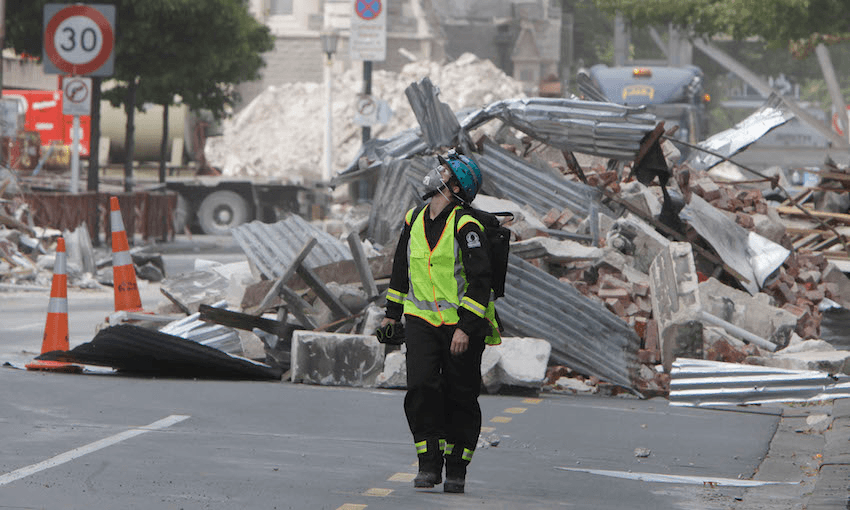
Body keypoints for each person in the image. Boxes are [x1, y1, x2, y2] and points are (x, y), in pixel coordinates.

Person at [380, 149, 501, 494]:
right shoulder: (413, 219)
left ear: (456, 188)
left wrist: (465, 327)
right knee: (420, 387)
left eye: (444, 172)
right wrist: (391, 316)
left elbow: (481, 280)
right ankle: (428, 463)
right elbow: (401, 271)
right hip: (421, 321)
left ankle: (456, 468)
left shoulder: (467, 225)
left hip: (460, 325)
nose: (436, 174)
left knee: (460, 395)